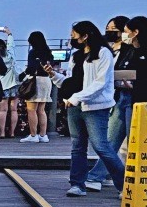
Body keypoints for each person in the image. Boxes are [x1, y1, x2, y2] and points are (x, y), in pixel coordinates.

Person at [44, 20, 124, 197]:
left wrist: (77, 98)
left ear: (85, 36)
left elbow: (100, 83)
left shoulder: (103, 54)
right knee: (77, 146)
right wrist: (53, 75)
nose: (72, 38)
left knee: (101, 146)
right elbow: (72, 81)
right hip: (74, 105)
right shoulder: (77, 56)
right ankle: (77, 184)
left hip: (95, 106)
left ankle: (124, 184)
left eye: (74, 35)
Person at [83, 15, 131, 191]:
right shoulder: (105, 49)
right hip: (115, 97)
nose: (109, 32)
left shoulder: (128, 49)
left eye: (114, 29)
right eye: (107, 28)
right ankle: (105, 176)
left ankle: (99, 176)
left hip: (124, 96)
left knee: (112, 142)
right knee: (112, 141)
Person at [21, 31, 54, 142]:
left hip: (36, 81)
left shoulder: (33, 52)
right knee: (41, 110)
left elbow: (31, 68)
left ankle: (33, 135)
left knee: (31, 110)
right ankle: (43, 135)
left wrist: (23, 74)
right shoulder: (48, 52)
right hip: (46, 80)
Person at [0, 33, 19, 140]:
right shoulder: (11, 55)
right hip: (14, 85)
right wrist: (9, 34)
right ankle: (12, 132)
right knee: (14, 110)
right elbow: (11, 45)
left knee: (2, 111)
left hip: (2, 86)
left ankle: (2, 133)